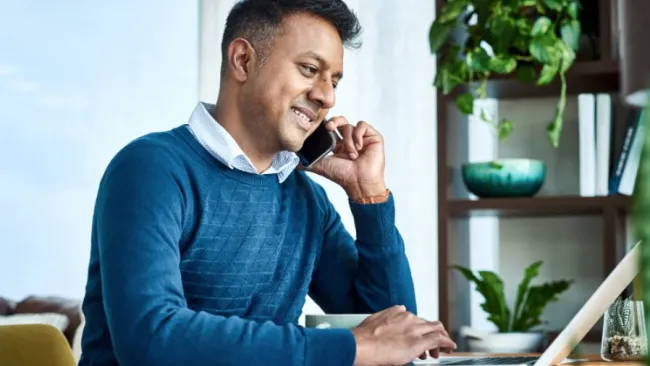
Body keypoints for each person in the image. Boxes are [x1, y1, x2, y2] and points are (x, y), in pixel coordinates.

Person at [78, 0, 456, 365]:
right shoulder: (151, 168)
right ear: (243, 60)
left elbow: (390, 332)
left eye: (334, 81)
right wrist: (353, 347)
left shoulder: (307, 200)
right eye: (310, 69)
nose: (326, 96)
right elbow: (151, 339)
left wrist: (368, 195)